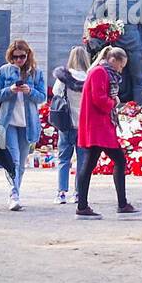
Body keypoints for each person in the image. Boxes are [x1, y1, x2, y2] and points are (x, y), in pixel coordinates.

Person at [74, 46, 140, 220]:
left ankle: (85, 206)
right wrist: (114, 101)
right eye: (121, 65)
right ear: (113, 60)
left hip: (99, 124)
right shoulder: (100, 72)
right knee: (117, 160)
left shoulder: (100, 71)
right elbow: (99, 99)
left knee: (89, 165)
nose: (121, 69)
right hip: (98, 125)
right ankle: (120, 204)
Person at [0, 39, 47, 211]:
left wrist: (30, 91)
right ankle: (13, 194)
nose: (18, 60)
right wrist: (10, 90)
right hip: (8, 122)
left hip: (28, 122)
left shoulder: (36, 73)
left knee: (22, 162)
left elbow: (43, 97)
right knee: (13, 159)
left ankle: (16, 191)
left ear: (28, 55)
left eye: (22, 57)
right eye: (15, 57)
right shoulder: (4, 71)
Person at [51, 47, 90, 204]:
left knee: (63, 159)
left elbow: (56, 93)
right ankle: (79, 193)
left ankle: (61, 192)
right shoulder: (89, 77)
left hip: (66, 122)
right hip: (84, 124)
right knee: (82, 160)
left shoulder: (64, 77)